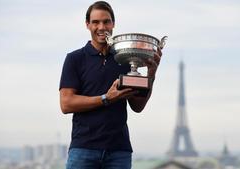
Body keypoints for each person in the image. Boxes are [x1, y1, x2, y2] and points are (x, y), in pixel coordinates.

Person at [59, 1, 163, 169]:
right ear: (87, 25)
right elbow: (66, 103)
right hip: (83, 149)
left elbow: (138, 106)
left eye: (106, 21)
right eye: (95, 22)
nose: (102, 27)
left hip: (119, 151)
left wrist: (151, 74)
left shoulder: (124, 60)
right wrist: (106, 98)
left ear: (113, 23)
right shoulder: (74, 59)